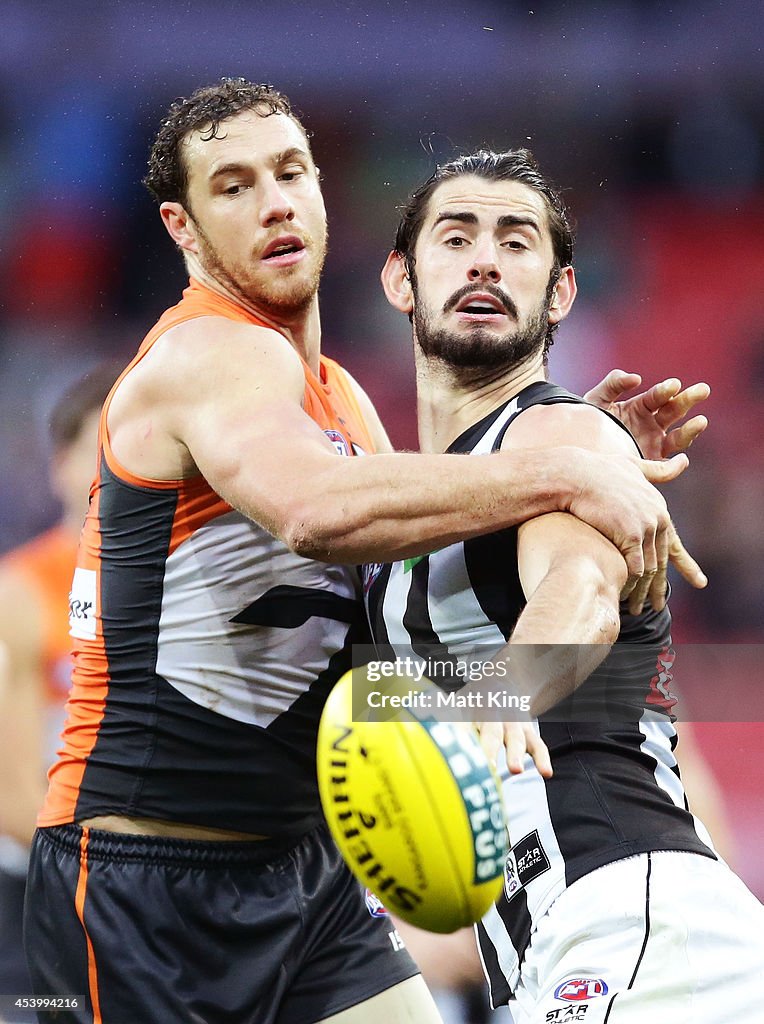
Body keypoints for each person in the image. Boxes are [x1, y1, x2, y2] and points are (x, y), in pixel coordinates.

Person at [23, 80, 707, 1024]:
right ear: (181, 228)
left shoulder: (341, 397)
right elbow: (314, 511)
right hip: (148, 877)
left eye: (292, 172)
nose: (274, 202)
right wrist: (571, 477)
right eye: (233, 185)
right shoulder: (209, 354)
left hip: (309, 875)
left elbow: (415, 582)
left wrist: (578, 442)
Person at [370, 147, 764, 1022]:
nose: (484, 258)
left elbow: (578, 592)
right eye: (456, 236)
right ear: (400, 278)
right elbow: (400, 687)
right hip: (560, 945)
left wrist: (517, 690)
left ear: (561, 295)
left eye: (516, 242)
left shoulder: (562, 441)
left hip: (631, 916)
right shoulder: (445, 491)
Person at [0, 365, 119, 1022]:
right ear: (60, 465)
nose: (117, 465)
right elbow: (11, 797)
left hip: (135, 894)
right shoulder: (19, 595)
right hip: (35, 904)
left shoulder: (164, 590)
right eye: (98, 446)